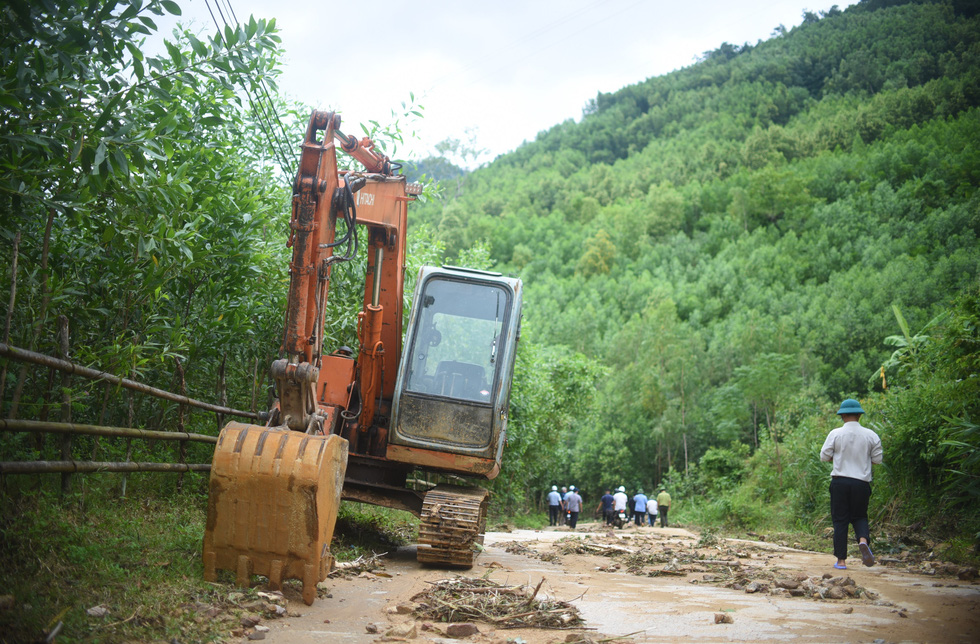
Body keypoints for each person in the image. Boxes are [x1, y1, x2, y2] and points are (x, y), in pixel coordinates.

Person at [820, 398, 883, 570]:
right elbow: (877, 460)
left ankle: (841, 561)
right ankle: (863, 541)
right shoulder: (871, 435)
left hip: (840, 482)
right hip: (861, 483)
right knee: (860, 516)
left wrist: (838, 457)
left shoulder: (835, 434)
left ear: (842, 416)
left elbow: (824, 456)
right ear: (859, 415)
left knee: (840, 520)